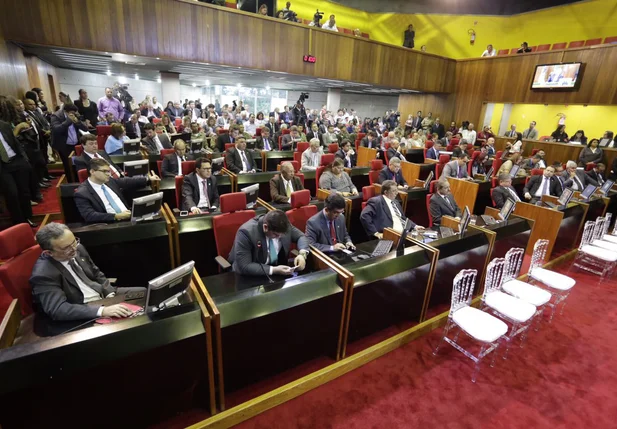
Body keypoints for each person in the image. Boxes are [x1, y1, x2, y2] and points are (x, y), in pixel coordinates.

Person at [30, 223, 145, 321]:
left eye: (74, 241)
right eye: (66, 248)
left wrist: (109, 293)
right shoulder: (43, 274)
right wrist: (102, 311)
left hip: (104, 296)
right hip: (83, 307)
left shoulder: (78, 248)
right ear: (49, 253)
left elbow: (96, 273)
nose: (74, 248)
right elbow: (58, 309)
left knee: (144, 293)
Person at [75, 158, 160, 223]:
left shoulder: (109, 181)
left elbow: (126, 181)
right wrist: (116, 216)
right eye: (105, 171)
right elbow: (89, 215)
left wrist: (148, 179)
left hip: (129, 217)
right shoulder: (82, 193)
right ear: (92, 172)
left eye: (109, 171)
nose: (108, 174)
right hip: (112, 224)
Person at [228, 210, 309, 276]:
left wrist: (302, 254)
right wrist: (273, 270)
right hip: (248, 276)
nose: (279, 237)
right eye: (276, 235)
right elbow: (245, 266)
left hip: (278, 273)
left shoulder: (284, 225)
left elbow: (301, 236)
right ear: (265, 227)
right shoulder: (246, 232)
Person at [0, 118, 36, 227]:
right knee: (12, 193)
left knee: (24, 192)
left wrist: (24, 160)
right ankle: (19, 222)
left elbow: (16, 143)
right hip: (2, 167)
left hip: (17, 161)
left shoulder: (4, 125)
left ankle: (28, 218)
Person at [51, 103, 88, 177]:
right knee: (68, 166)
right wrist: (68, 121)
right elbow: (56, 130)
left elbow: (85, 128)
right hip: (64, 145)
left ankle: (79, 179)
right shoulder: (56, 116)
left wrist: (77, 122)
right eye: (71, 113)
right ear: (65, 111)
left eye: (75, 113)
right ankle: (71, 181)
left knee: (78, 164)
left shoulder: (75, 114)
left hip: (76, 144)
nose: (73, 114)